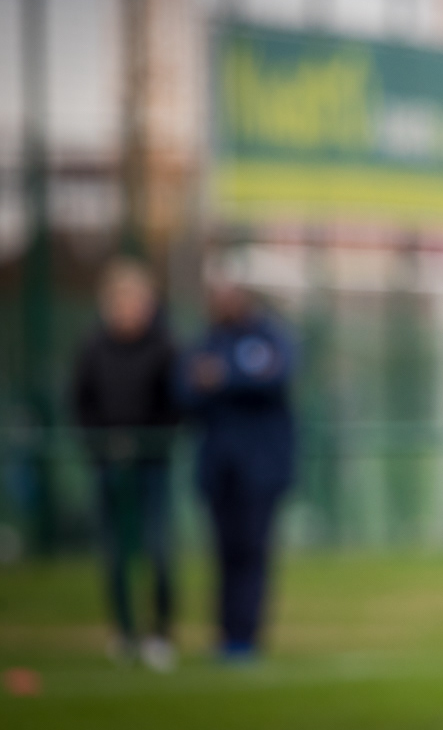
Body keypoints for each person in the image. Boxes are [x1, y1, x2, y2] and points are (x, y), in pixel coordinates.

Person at [70, 257, 180, 671]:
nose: (128, 308)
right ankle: (123, 630)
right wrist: (102, 443)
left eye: (135, 300)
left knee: (157, 550)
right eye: (121, 300)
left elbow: (176, 403)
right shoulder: (93, 346)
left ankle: (160, 631)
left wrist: (150, 439)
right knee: (115, 554)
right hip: (108, 462)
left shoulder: (165, 345)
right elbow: (81, 402)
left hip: (152, 462)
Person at [178, 278, 295, 662]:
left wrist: (222, 377)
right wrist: (213, 380)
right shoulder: (206, 341)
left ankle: (247, 636)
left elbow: (273, 378)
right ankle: (226, 633)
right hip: (218, 469)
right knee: (223, 553)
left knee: (252, 551)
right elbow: (184, 390)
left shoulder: (268, 337)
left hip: (261, 470)